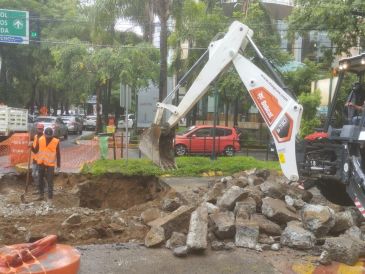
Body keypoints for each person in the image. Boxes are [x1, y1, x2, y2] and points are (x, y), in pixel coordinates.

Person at [33, 127, 61, 205]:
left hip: (50, 164)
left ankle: (50, 198)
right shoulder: (41, 139)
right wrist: (31, 146)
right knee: (40, 180)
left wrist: (58, 166)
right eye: (47, 136)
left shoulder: (56, 141)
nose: (48, 138)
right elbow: (35, 151)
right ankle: (41, 195)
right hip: (41, 162)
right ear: (44, 134)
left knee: (50, 181)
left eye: (50, 136)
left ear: (52, 135)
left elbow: (58, 154)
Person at [30, 123, 44, 188]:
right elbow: (34, 148)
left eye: (41, 129)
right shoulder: (35, 136)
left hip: (41, 159)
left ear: (43, 129)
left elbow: (35, 150)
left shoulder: (43, 138)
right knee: (33, 174)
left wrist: (31, 146)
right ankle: (38, 186)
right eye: (39, 129)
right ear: (37, 129)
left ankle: (43, 187)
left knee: (39, 174)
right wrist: (31, 145)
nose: (40, 130)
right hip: (35, 159)